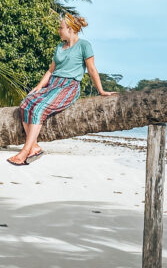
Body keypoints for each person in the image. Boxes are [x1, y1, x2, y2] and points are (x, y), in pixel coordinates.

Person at [8, 13, 116, 166]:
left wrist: (101, 91)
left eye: (61, 28)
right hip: (52, 84)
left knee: (39, 108)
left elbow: (92, 69)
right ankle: (34, 147)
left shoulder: (84, 45)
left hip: (69, 86)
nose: (59, 30)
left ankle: (25, 151)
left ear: (71, 29)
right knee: (26, 103)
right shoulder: (59, 46)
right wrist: (39, 86)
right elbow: (51, 70)